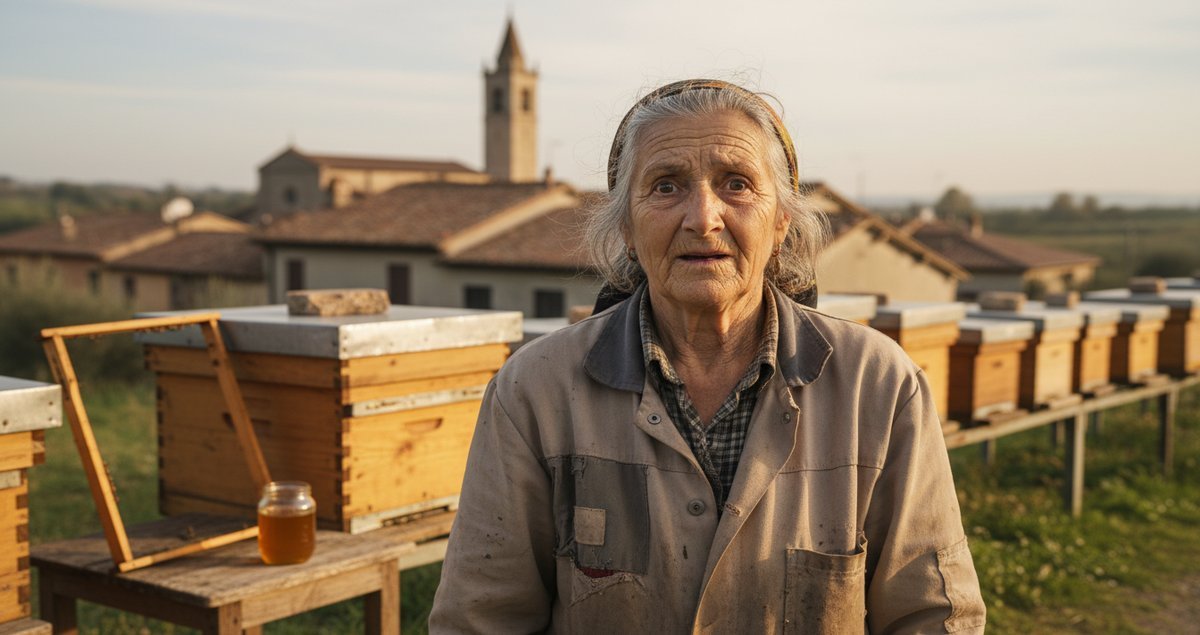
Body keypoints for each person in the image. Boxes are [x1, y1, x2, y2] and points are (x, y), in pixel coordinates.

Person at [430, 79, 986, 633]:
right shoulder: (535, 390)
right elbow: (480, 620)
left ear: (781, 221)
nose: (703, 217)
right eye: (666, 186)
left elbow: (936, 617)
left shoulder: (879, 385)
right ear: (626, 224)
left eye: (737, 184)